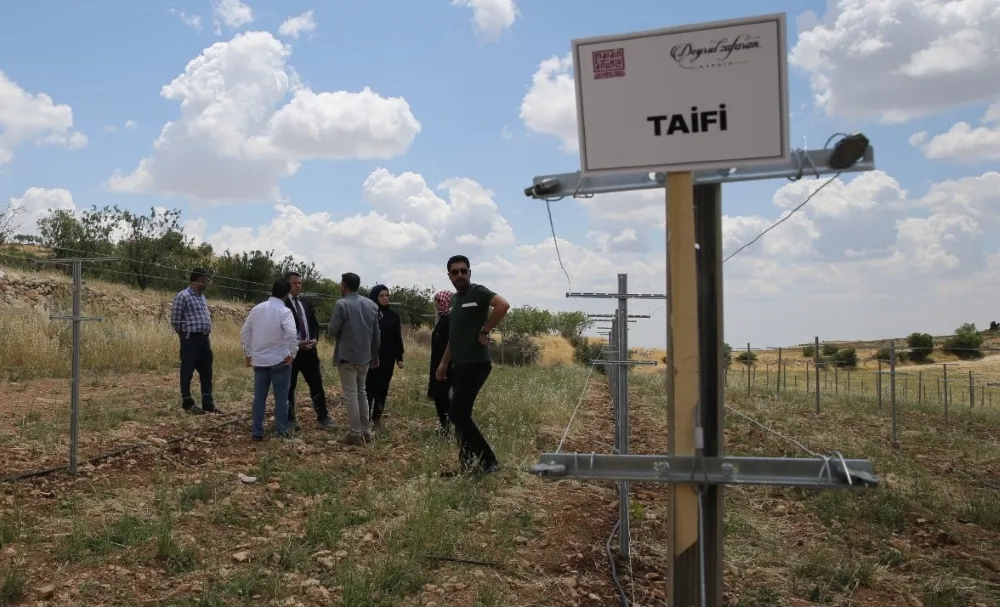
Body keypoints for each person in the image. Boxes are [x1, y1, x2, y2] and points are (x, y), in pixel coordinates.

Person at [435, 255, 509, 475]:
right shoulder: (455, 301)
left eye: (463, 271)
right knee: (461, 414)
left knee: (457, 413)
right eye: (455, 272)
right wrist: (443, 363)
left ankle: (489, 460)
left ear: (469, 273)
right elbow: (455, 337)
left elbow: (503, 305)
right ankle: (466, 465)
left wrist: (485, 330)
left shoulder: (477, 292)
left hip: (476, 363)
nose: (460, 275)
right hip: (460, 364)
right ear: (449, 276)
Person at [241, 279, 299, 441]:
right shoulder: (284, 311)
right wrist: (292, 353)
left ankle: (257, 431)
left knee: (259, 397)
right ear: (287, 294)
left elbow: (245, 332)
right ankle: (281, 431)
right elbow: (291, 334)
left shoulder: (257, 309)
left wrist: (248, 353)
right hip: (280, 359)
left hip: (259, 360)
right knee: (281, 398)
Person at [328, 272, 380, 446]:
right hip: (365, 356)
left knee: (351, 394)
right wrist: (374, 355)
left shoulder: (341, 304)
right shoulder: (371, 304)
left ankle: (355, 432)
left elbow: (332, 330)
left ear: (344, 285)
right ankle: (366, 431)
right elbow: (376, 333)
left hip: (347, 356)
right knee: (362, 392)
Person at [285, 272, 333, 430]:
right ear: (287, 285)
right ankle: (290, 420)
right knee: (289, 387)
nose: (298, 285)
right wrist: (297, 344)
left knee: (316, 384)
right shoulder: (282, 304)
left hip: (310, 352)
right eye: (294, 283)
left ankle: (322, 417)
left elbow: (314, 324)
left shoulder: (306, 302)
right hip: (291, 353)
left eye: (300, 283)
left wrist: (315, 339)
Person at [170, 268, 221, 415]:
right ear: (199, 279)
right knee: (187, 371)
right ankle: (187, 403)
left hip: (204, 339)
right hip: (189, 338)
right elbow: (176, 320)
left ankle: (208, 403)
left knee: (207, 371)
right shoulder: (183, 296)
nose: (208, 282)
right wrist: (184, 336)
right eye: (207, 279)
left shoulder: (202, 298)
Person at [365, 285, 404, 425]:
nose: (385, 298)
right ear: (375, 297)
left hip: (387, 357)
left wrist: (399, 357)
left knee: (383, 387)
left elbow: (397, 337)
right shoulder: (368, 313)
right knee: (368, 387)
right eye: (382, 296)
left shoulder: (393, 316)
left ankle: (377, 417)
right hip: (370, 357)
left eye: (387, 295)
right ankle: (365, 417)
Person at [427, 289, 453, 436]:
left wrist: (444, 363)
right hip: (438, 363)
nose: (435, 304)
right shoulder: (443, 318)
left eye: (437, 301)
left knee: (443, 396)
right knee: (440, 396)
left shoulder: (449, 320)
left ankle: (447, 428)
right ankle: (445, 426)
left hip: (446, 364)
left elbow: (452, 342)